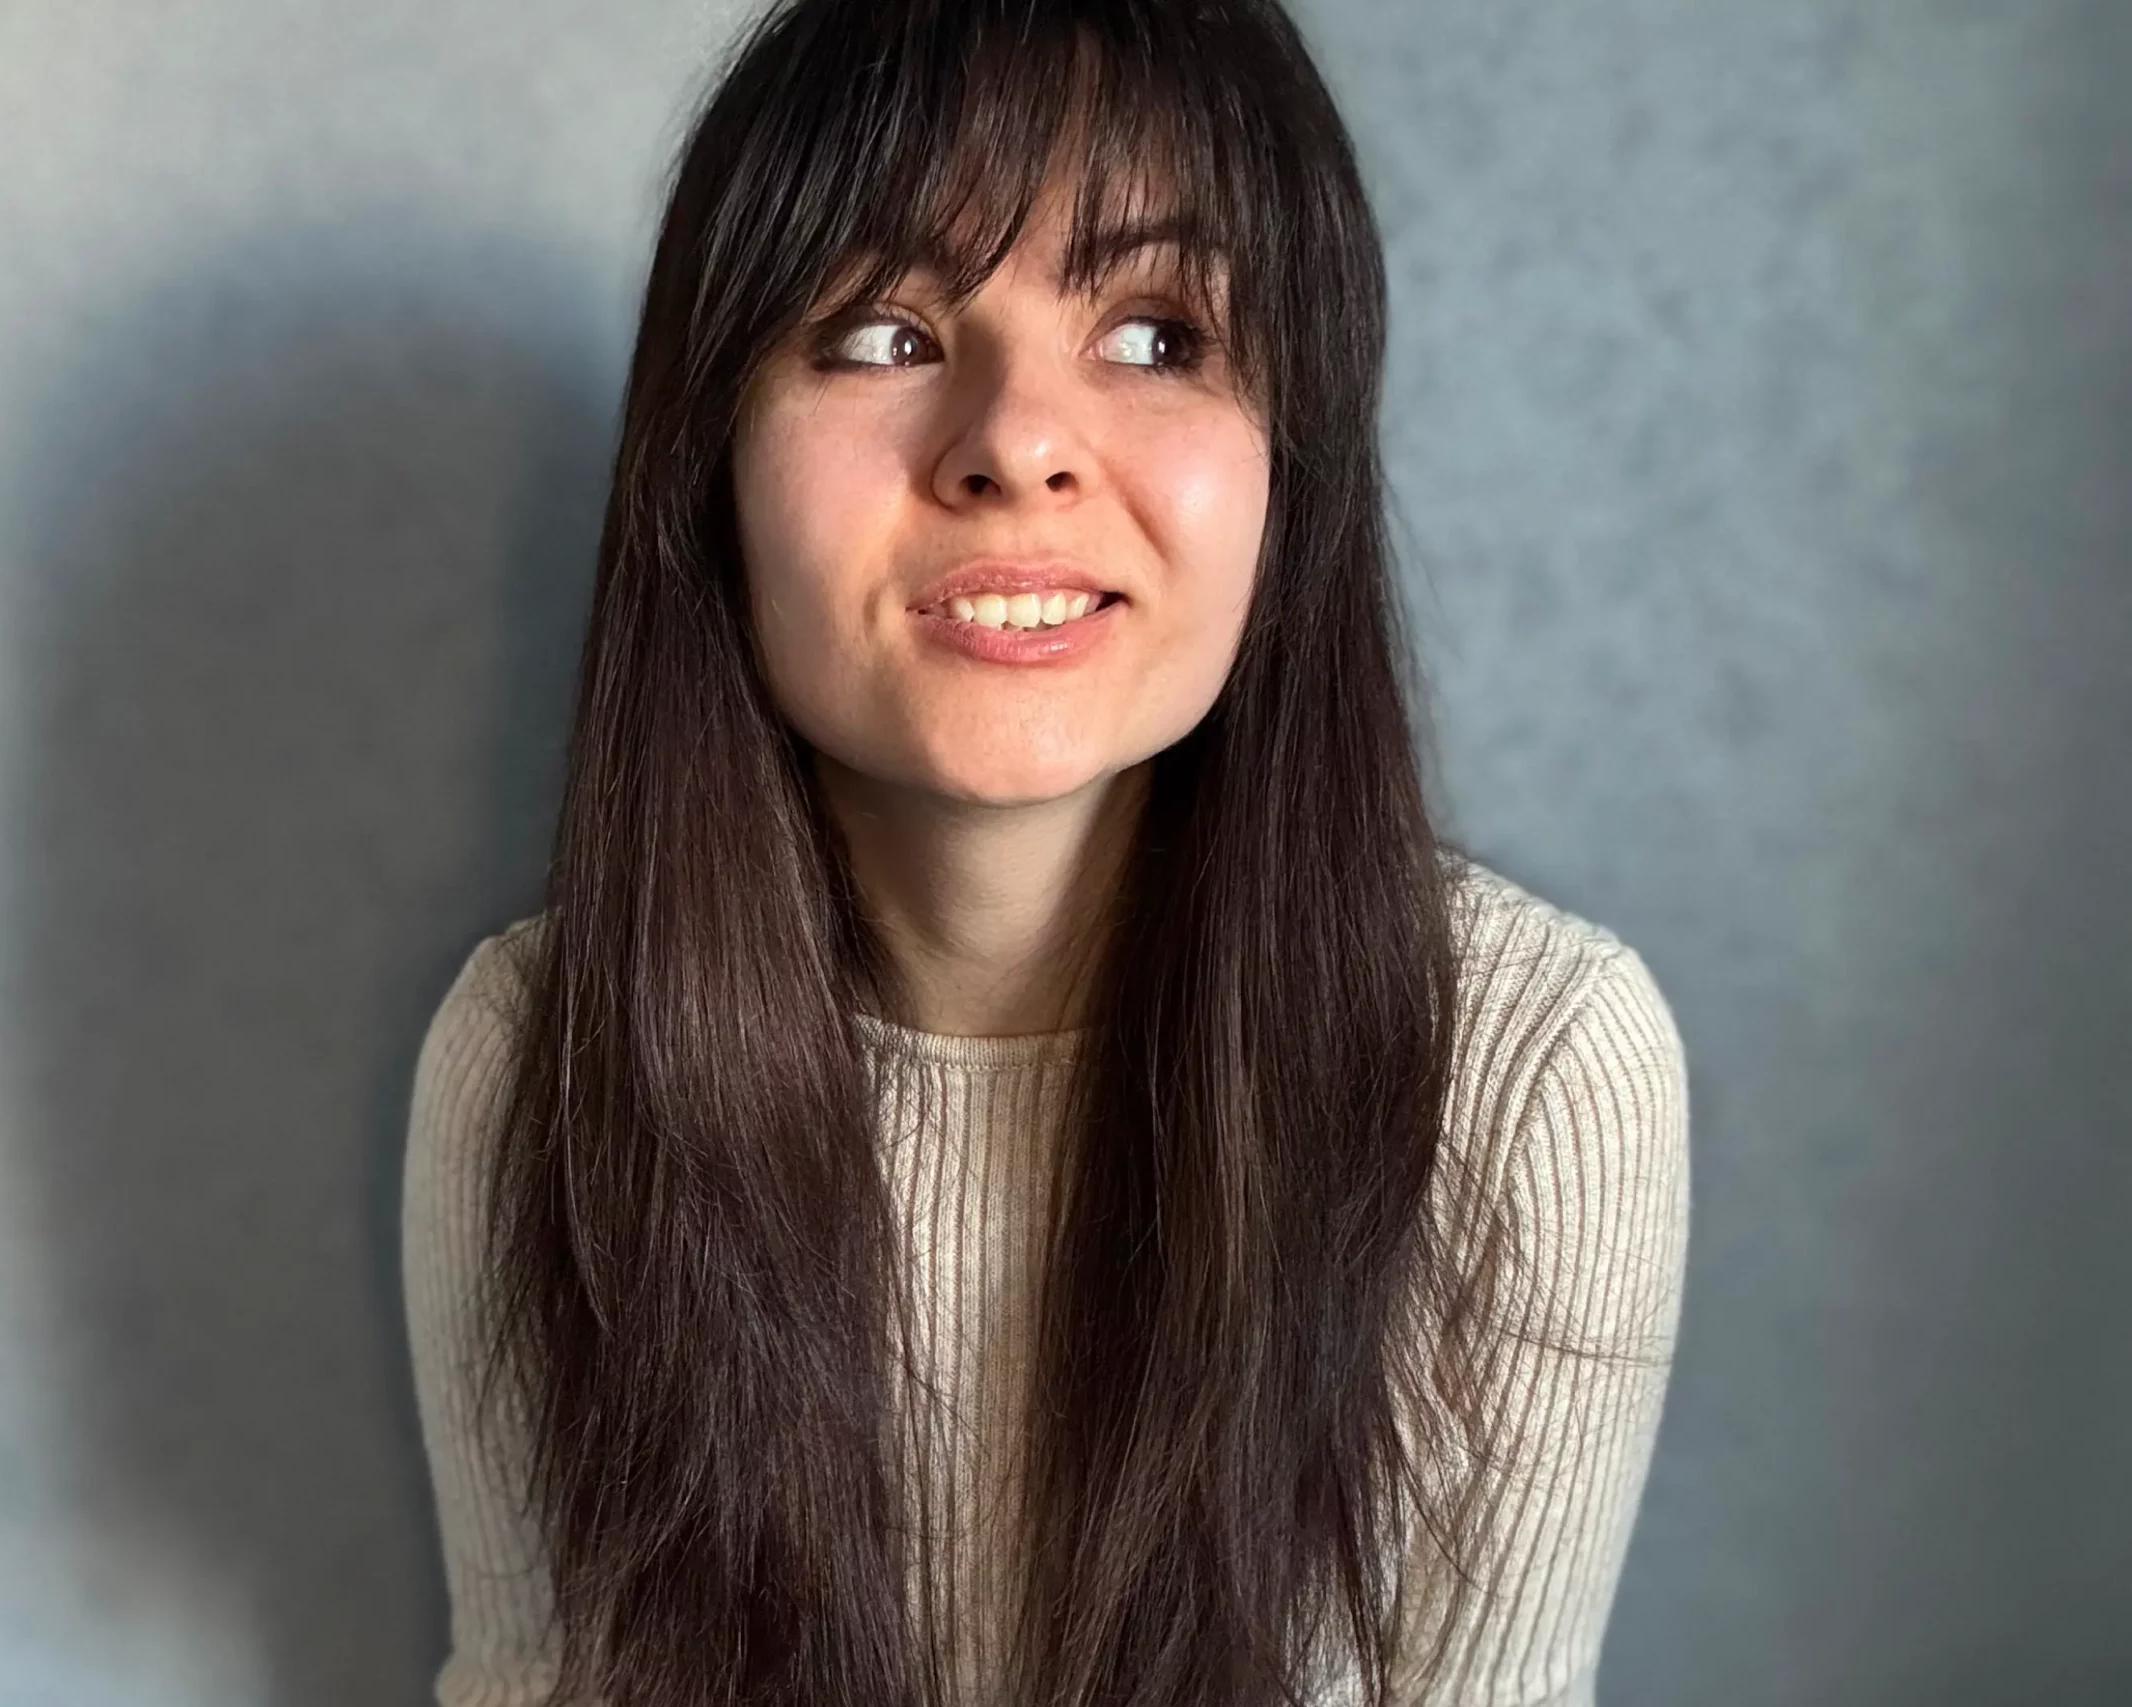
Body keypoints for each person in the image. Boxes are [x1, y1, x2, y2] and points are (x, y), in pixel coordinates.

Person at [401, 1, 1690, 1703]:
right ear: (712, 465)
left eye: (1156, 333)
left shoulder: (1533, 1077)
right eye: (880, 332)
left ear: (1292, 469)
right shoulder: (534, 1061)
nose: (1017, 442)